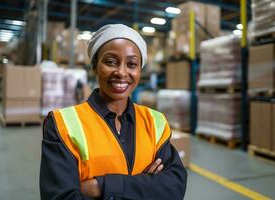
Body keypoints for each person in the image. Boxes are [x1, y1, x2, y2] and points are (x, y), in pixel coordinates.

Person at [40, 24, 187, 200]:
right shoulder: (62, 124)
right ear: (95, 66)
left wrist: (101, 187)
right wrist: (146, 184)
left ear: (140, 70)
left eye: (132, 64)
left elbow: (174, 188)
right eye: (110, 62)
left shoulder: (155, 122)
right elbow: (60, 196)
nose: (121, 72)